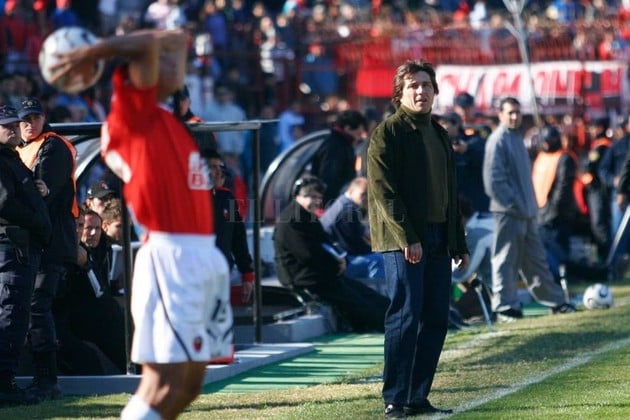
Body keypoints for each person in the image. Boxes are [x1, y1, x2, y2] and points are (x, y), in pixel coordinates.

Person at [52, 29, 231, 419]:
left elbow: (176, 39)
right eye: (158, 63)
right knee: (163, 382)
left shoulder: (166, 118)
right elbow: (152, 46)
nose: (170, 63)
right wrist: (97, 51)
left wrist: (109, 51)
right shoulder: (132, 112)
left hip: (201, 254)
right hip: (173, 253)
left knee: (190, 383)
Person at [367, 60, 469, 419]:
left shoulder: (439, 133)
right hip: (403, 238)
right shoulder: (388, 133)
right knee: (405, 316)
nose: (420, 91)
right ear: (400, 93)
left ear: (435, 91)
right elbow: (384, 191)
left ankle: (416, 396)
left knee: (437, 317)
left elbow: (450, 192)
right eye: (413, 85)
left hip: (439, 236)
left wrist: (458, 242)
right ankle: (395, 398)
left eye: (426, 85)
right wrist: (408, 237)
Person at [482, 97, 576, 323]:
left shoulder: (517, 138)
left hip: (527, 213)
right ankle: (505, 307)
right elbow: (493, 181)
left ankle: (555, 301)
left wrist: (529, 207)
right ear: (500, 115)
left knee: (537, 260)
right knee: (505, 260)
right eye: (510, 112)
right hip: (508, 213)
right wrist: (514, 204)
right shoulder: (497, 140)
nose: (515, 116)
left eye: (517, 112)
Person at [17, 96, 79, 401]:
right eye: (24, 119)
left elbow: (43, 192)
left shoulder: (53, 146)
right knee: (33, 307)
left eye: (34, 118)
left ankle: (47, 380)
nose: (30, 124)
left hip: (51, 242)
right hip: (34, 241)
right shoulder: (20, 148)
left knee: (37, 306)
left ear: (44, 119)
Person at [273, 175, 389, 333]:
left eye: (318, 197)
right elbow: (308, 255)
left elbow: (326, 242)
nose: (316, 201)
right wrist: (335, 264)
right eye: (311, 197)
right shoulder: (292, 220)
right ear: (297, 196)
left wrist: (340, 260)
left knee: (367, 293)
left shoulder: (306, 215)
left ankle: (394, 319)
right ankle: (386, 325)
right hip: (306, 278)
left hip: (322, 273)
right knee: (357, 301)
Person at [0, 105, 52, 406]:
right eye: (6, 125)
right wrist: (36, 220)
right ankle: (3, 384)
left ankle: (6, 381)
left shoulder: (12, 158)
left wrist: (36, 189)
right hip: (11, 246)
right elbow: (4, 203)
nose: (12, 128)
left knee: (15, 314)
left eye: (14, 124)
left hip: (18, 247)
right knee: (11, 314)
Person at [319, 176, 385, 294]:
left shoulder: (341, 203)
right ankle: (377, 294)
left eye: (368, 195)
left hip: (335, 256)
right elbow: (352, 246)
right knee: (378, 260)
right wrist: (375, 249)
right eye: (363, 194)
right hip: (338, 262)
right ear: (351, 190)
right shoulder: (347, 210)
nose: (366, 198)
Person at [205, 149, 254, 305]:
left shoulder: (228, 199)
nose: (219, 173)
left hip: (222, 274)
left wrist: (247, 274)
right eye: (213, 167)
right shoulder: (191, 201)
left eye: (221, 168)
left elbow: (238, 238)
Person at [311, 109, 367, 205]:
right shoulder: (335, 146)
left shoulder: (339, 143)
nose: (360, 137)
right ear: (348, 128)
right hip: (333, 201)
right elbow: (330, 179)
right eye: (358, 133)